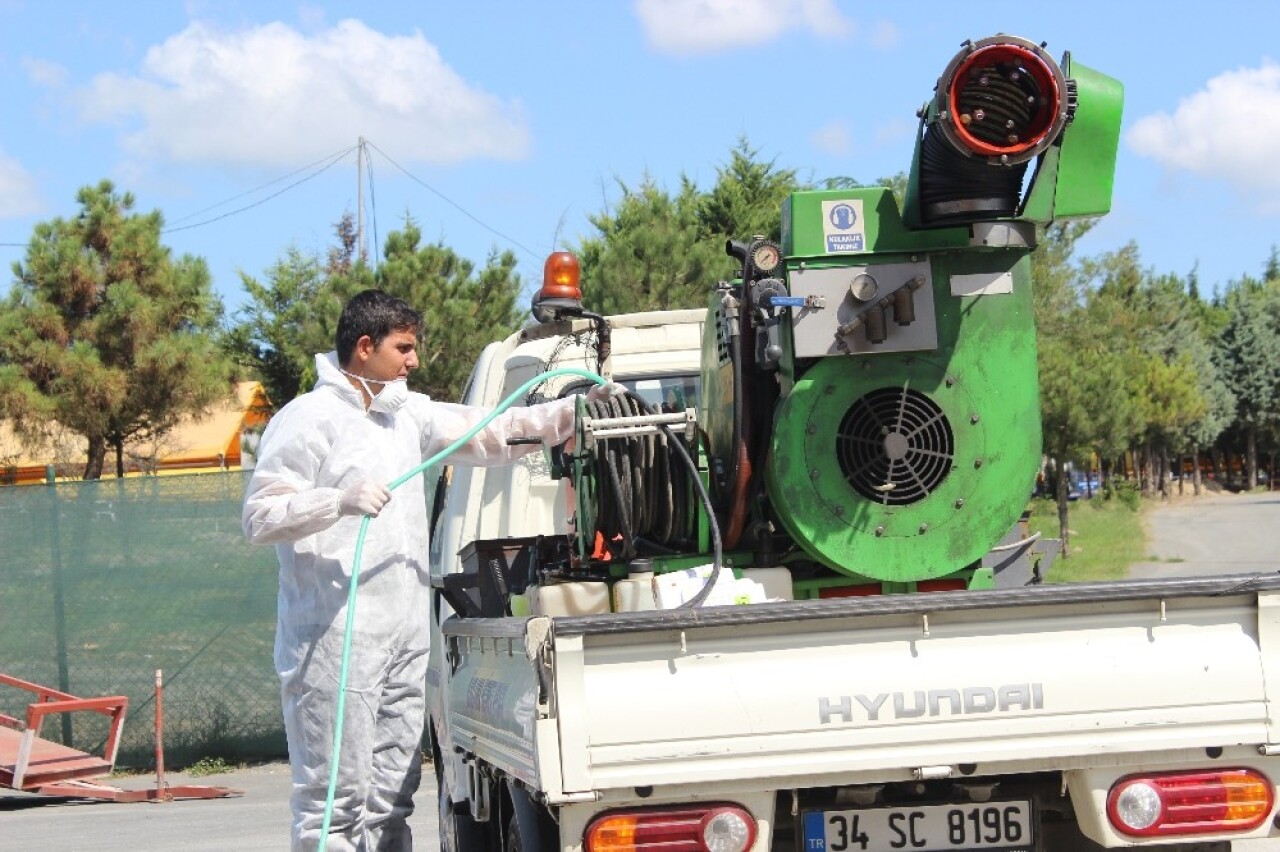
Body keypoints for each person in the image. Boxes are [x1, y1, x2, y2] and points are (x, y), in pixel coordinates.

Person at [243, 289, 614, 851]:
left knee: (392, 795)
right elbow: (260, 515)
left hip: (402, 637)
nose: (414, 361)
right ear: (365, 348)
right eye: (404, 348)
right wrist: (335, 501)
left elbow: (488, 430)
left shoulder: (406, 414)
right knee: (335, 801)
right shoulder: (308, 419)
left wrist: (566, 415)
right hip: (332, 641)